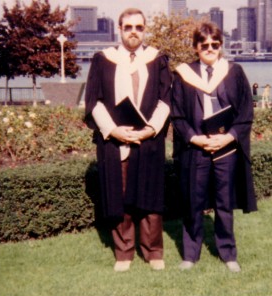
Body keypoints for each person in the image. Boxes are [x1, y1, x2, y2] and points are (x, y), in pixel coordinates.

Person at [84, 8, 172, 272]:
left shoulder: (157, 59)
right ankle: (124, 252)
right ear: (120, 29)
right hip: (116, 141)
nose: (134, 31)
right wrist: (111, 130)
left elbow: (166, 100)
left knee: (151, 197)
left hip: (148, 139)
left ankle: (153, 251)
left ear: (144, 30)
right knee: (119, 197)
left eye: (139, 27)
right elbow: (93, 102)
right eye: (128, 27)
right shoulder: (103, 60)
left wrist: (151, 129)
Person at [171, 22, 257, 272]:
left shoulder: (234, 72)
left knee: (224, 201)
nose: (210, 49)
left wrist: (229, 137)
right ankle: (190, 254)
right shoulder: (184, 74)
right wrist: (194, 138)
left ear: (221, 46)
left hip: (226, 148)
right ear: (196, 47)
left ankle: (228, 254)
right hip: (196, 148)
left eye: (215, 44)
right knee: (192, 202)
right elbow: (177, 116)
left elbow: (245, 111)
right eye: (204, 45)